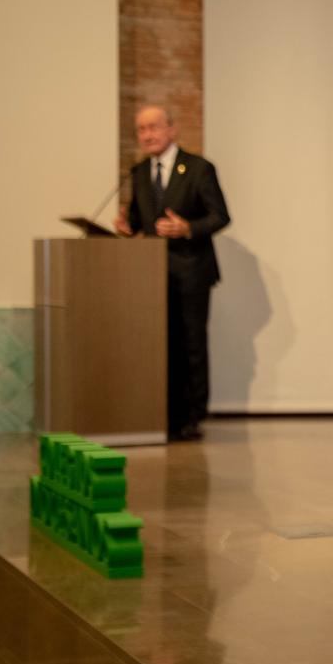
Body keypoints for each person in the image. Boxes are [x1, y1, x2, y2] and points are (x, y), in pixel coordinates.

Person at [114, 105, 230, 441]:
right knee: (161, 344)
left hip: (192, 271)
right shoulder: (138, 172)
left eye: (153, 127)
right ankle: (165, 411)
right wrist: (126, 226)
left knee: (191, 342)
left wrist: (188, 228)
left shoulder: (198, 168)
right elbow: (139, 221)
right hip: (153, 274)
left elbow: (220, 216)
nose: (147, 135)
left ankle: (192, 415)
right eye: (141, 129)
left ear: (172, 129)